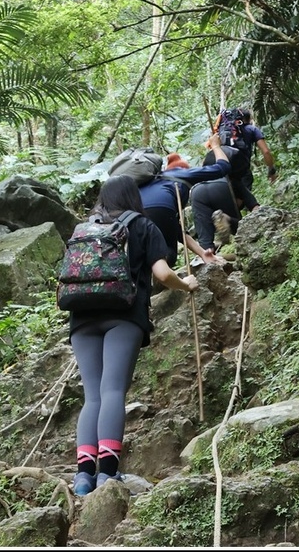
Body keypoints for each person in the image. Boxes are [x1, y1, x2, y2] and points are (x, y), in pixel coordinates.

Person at [69, 175, 201, 496]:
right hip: (123, 316)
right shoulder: (142, 225)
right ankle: (108, 474)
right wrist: (186, 284)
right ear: (133, 197)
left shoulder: (83, 230)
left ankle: (84, 478)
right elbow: (163, 274)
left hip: (81, 317)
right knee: (113, 391)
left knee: (93, 396)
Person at [136, 134, 231, 268]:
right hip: (161, 209)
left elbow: (176, 230)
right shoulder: (181, 172)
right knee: (167, 254)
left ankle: (149, 284)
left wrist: (202, 253)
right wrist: (215, 145)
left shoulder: (152, 182)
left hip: (133, 210)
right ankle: (170, 283)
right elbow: (223, 167)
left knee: (143, 253)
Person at [191, 146, 251, 252]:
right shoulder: (235, 182)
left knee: (205, 240)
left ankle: (208, 253)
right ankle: (225, 218)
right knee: (241, 229)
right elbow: (256, 207)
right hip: (222, 186)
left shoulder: (205, 173)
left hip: (197, 190)